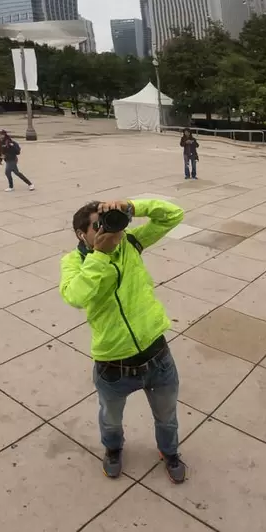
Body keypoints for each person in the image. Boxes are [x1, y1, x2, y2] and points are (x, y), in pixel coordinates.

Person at [59, 197, 187, 483]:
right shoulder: (73, 262)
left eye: (109, 220)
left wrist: (131, 206)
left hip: (158, 357)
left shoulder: (129, 243)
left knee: (167, 417)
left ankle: (170, 451)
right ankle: (113, 449)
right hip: (113, 366)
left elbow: (174, 215)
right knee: (111, 420)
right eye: (98, 225)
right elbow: (75, 296)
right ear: (82, 234)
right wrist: (100, 257)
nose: (108, 229)